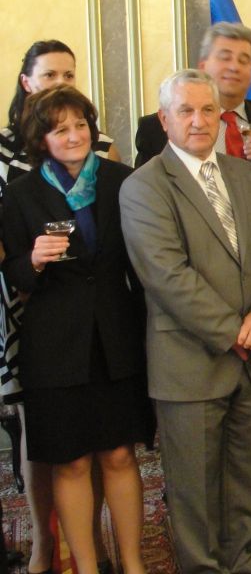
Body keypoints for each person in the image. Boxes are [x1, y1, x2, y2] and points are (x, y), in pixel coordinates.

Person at [120, 69, 251, 574]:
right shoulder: (144, 186)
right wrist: (235, 331)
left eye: (208, 110)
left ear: (221, 116)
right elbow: (166, 276)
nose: (199, 121)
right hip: (191, 362)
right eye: (186, 111)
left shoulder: (247, 175)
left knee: (245, 475)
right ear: (164, 119)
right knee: (194, 486)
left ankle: (244, 561)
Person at [2, 85, 151, 574]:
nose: (73, 136)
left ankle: (133, 563)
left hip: (117, 336)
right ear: (41, 139)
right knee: (70, 461)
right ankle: (86, 566)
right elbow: (14, 275)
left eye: (80, 125)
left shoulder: (121, 181)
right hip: (54, 346)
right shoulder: (21, 194)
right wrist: (33, 260)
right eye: (60, 129)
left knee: (119, 455)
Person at [134, 22, 251, 166]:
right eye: (225, 58)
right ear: (202, 67)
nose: (234, 67)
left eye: (243, 60)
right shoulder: (156, 128)